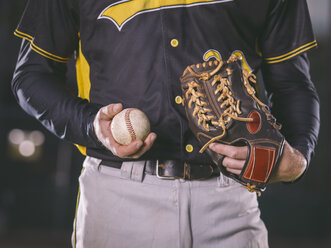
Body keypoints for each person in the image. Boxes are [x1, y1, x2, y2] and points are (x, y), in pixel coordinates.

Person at [12, 0, 320, 247]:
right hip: (118, 197)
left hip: (229, 198)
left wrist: (298, 158)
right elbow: (31, 76)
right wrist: (91, 125)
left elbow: (293, 84)